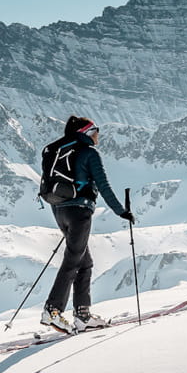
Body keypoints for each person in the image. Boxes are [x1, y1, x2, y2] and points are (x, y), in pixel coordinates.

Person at [41, 117, 135, 333]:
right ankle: (53, 310)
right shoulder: (89, 153)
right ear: (86, 131)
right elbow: (103, 185)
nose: (98, 135)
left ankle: (83, 315)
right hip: (79, 212)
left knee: (85, 262)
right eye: (96, 130)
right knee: (73, 260)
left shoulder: (60, 151)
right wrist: (121, 211)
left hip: (59, 210)